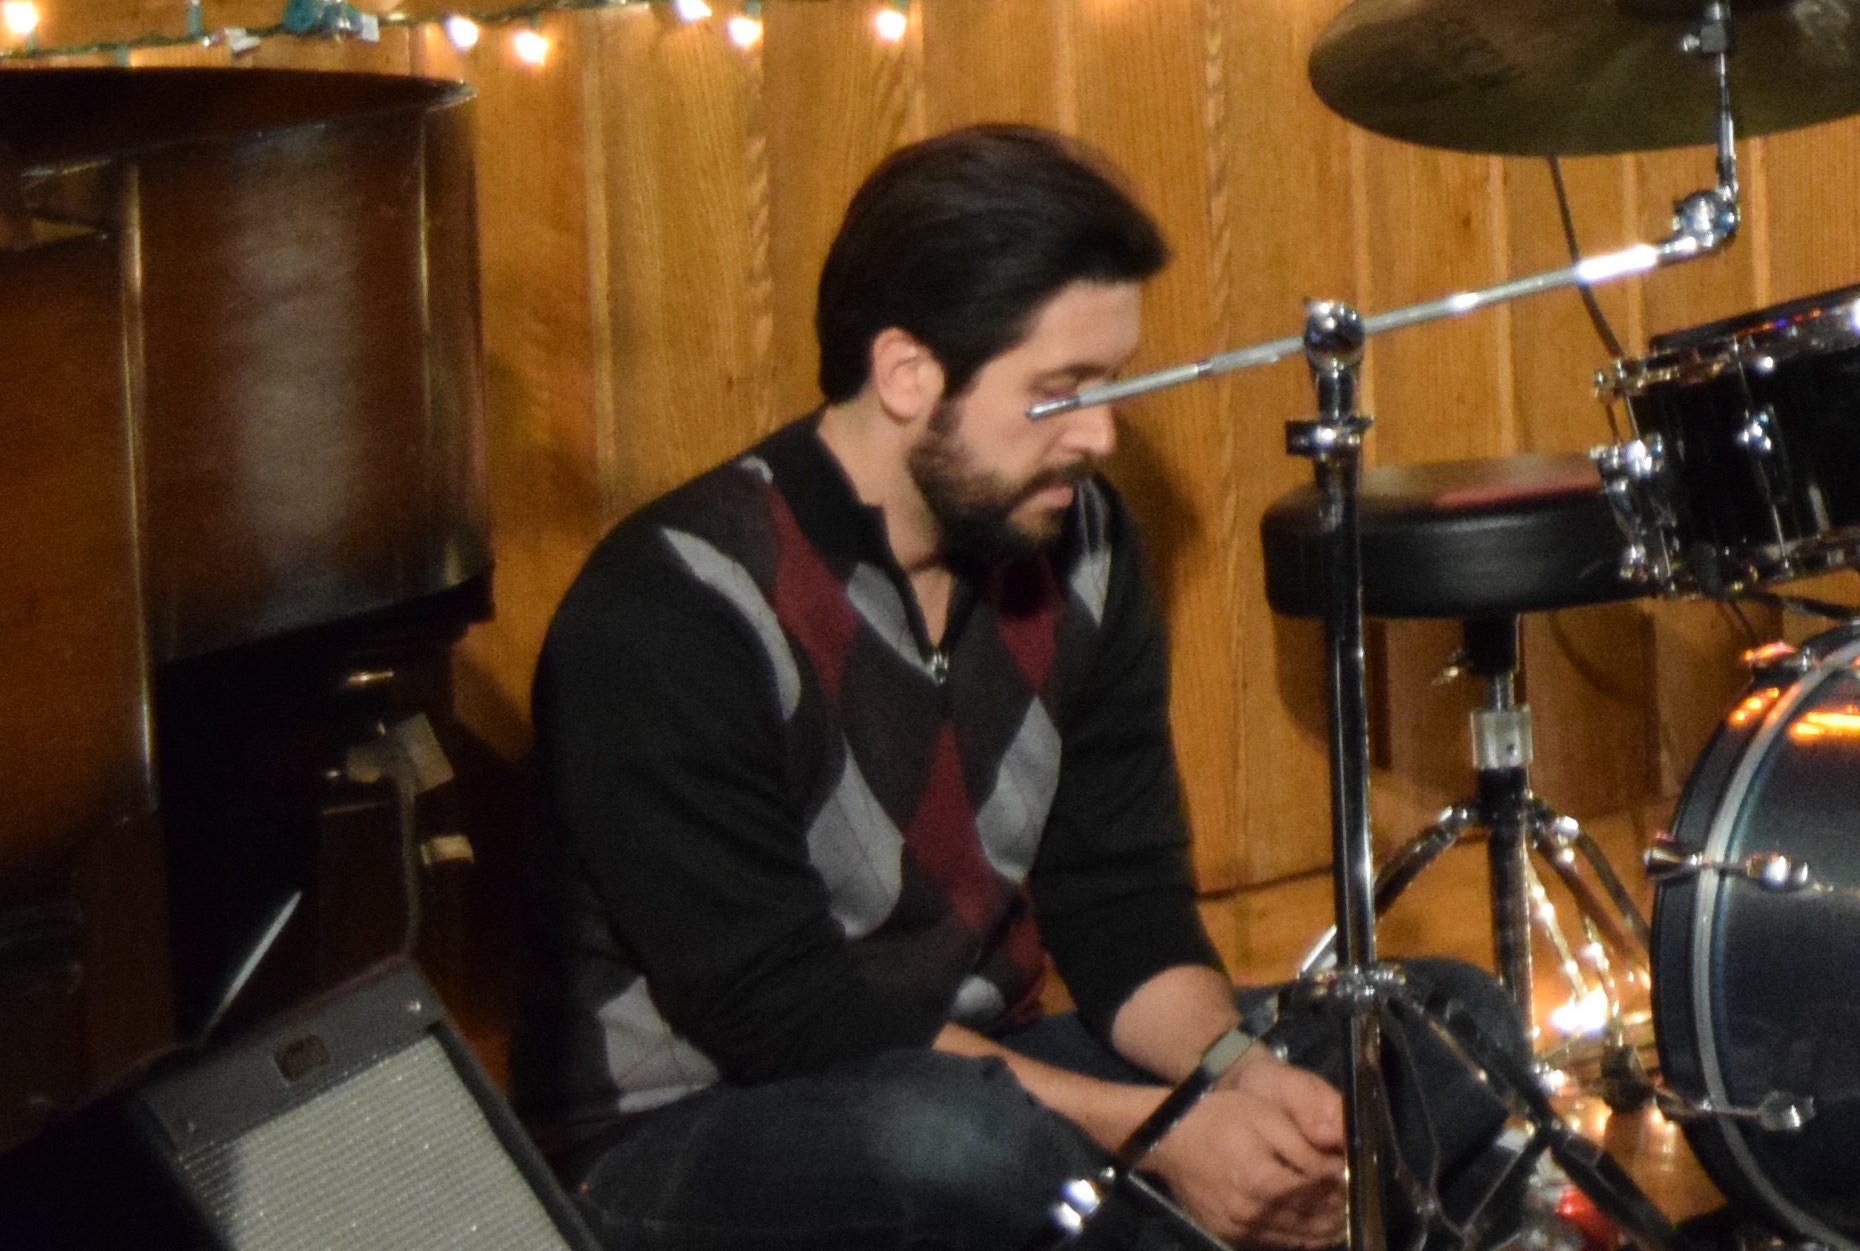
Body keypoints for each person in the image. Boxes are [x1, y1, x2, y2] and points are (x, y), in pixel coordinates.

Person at [522, 125, 1528, 1249]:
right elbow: (784, 1015)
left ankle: (1210, 1213)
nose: (1099, 434)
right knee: (964, 1150)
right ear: (907, 373)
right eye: (1061, 392)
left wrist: (1241, 1084)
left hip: (995, 1077)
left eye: (1112, 385)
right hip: (698, 1128)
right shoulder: (673, 605)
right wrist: (1165, 1137)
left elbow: (1120, 905)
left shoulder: (1083, 545)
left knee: (1451, 1027)